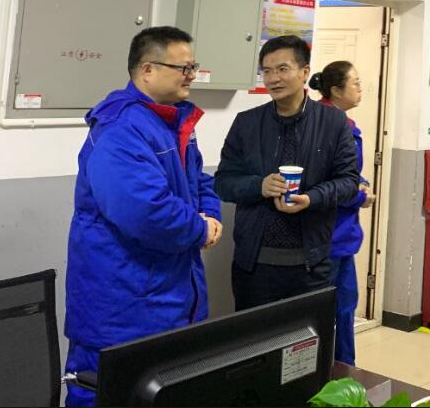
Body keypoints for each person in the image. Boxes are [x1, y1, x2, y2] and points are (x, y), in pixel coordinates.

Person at [64, 27, 223, 407]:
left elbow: (198, 180)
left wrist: (210, 215)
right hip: (124, 306)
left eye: (193, 66)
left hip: (168, 297)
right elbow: (145, 212)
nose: (191, 75)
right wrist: (200, 229)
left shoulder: (171, 121)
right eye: (183, 68)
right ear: (148, 69)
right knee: (108, 394)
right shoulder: (121, 128)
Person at [214, 35, 359, 310]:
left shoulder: (333, 122)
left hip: (311, 265)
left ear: (304, 72)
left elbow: (348, 182)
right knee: (255, 335)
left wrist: (312, 198)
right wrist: (259, 186)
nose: (273, 79)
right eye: (267, 71)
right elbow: (223, 182)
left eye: (282, 69)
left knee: (306, 337)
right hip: (254, 265)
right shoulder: (247, 123)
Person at [310, 60, 375, 365]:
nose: (361, 88)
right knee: (328, 312)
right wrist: (358, 195)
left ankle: (345, 370)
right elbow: (324, 181)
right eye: (356, 83)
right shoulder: (324, 125)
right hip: (329, 235)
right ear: (336, 90)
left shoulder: (343, 123)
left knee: (345, 307)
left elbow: (347, 172)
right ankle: (331, 372)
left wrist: (360, 184)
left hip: (342, 235)